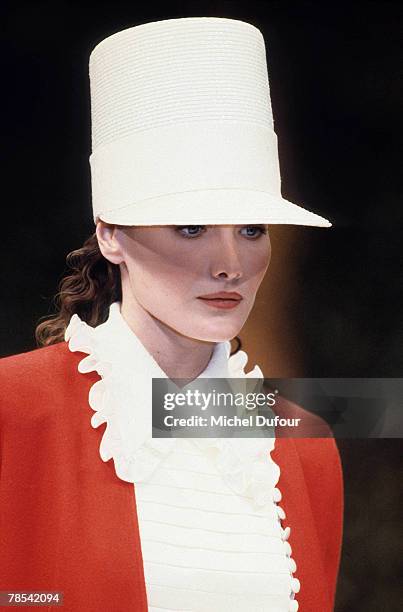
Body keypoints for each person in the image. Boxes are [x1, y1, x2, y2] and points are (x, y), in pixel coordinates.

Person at [0, 17, 343, 612]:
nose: (230, 264)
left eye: (252, 230)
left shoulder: (306, 440)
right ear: (110, 236)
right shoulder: (14, 407)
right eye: (191, 228)